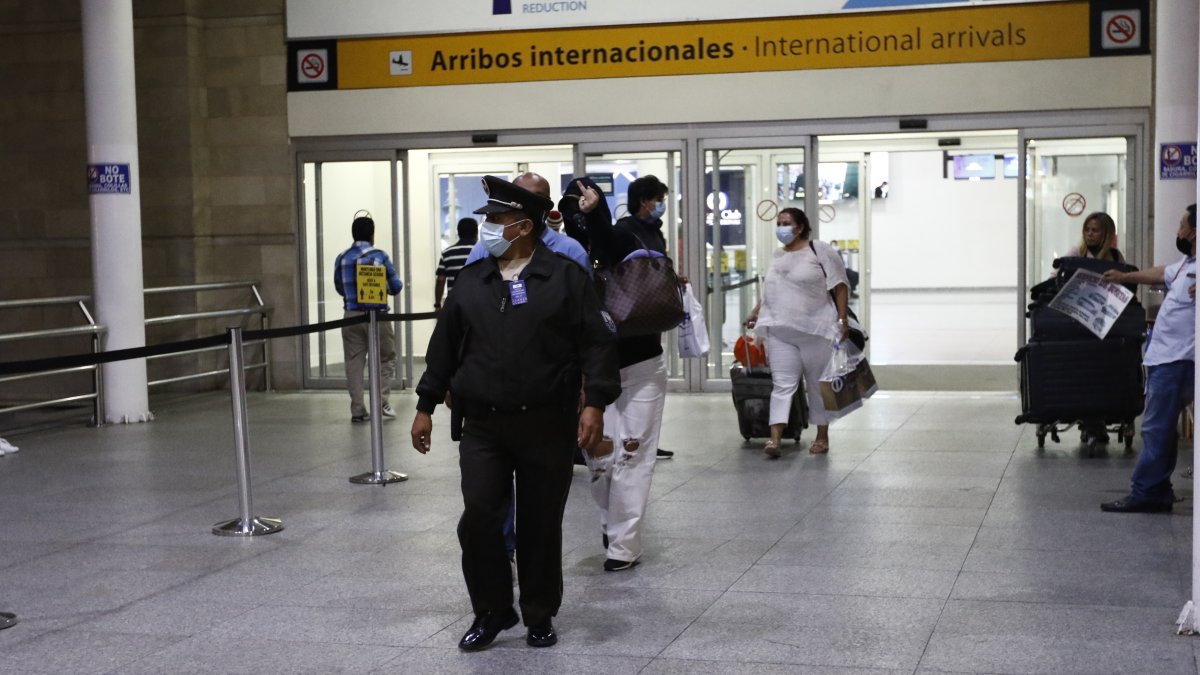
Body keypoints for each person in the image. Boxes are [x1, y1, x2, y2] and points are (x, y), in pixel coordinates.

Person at [410, 175, 620, 650]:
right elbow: (443, 346)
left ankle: (539, 613)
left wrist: (595, 405)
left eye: (497, 220)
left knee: (540, 524)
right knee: (479, 518)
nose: (488, 228)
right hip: (483, 423)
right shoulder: (473, 278)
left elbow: (596, 345)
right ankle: (492, 610)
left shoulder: (564, 276)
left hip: (546, 421)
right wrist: (425, 404)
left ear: (523, 226)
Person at [575, 174, 676, 572]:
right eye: (658, 200)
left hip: (645, 361)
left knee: (634, 454)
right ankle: (610, 523)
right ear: (643, 201)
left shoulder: (655, 236)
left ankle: (624, 545)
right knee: (600, 456)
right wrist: (595, 211)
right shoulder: (623, 231)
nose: (660, 206)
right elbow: (609, 243)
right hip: (601, 367)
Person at [1100, 204, 1196, 514]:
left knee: (1155, 429)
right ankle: (1158, 490)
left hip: (1178, 361)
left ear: (1194, 232)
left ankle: (1145, 492)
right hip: (1165, 359)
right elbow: (1161, 272)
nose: (1177, 231)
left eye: (1182, 226)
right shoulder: (1186, 264)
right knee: (1163, 429)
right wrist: (1126, 275)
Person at [744, 207, 851, 458]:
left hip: (815, 329)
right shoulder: (777, 255)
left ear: (800, 227)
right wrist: (756, 311)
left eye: (786, 223)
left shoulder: (819, 250)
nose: (781, 227)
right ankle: (775, 439)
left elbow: (840, 285)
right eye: (779, 223)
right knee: (782, 385)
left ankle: (822, 436)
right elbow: (772, 290)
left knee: (816, 385)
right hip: (780, 330)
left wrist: (842, 320)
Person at [333, 214, 403, 423]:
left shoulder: (342, 257)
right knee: (385, 358)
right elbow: (396, 286)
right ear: (372, 234)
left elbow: (339, 287)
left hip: (351, 316)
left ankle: (357, 409)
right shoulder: (379, 256)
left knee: (354, 362)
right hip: (377, 316)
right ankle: (380, 402)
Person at [1069, 211, 1126, 445]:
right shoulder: (1076, 253)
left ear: (1107, 234)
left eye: (1096, 230)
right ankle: (1089, 419)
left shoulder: (1115, 257)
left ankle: (1098, 418)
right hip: (1079, 320)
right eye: (1087, 230)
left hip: (1105, 322)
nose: (1090, 234)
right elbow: (1056, 277)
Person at [464, 172, 592, 273]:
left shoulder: (570, 250)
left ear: (546, 209)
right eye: (519, 196)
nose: (528, 205)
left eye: (535, 199)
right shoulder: (484, 249)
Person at [434, 217, 478, 311]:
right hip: (478, 302)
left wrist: (437, 304)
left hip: (455, 302)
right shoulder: (483, 252)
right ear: (476, 233)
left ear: (458, 233)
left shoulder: (447, 253)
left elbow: (441, 279)